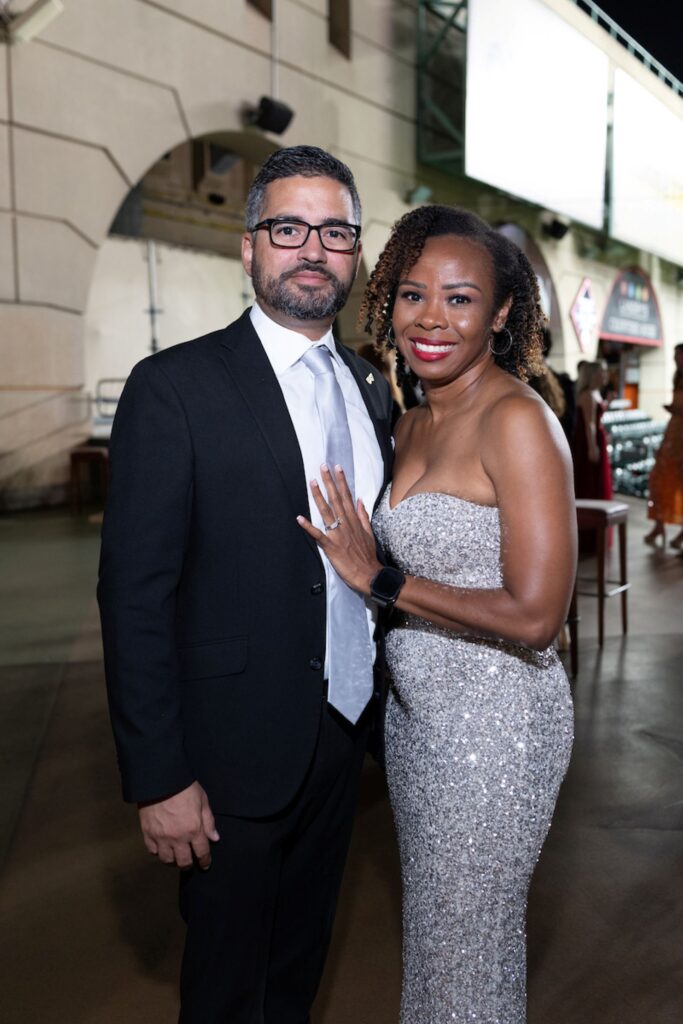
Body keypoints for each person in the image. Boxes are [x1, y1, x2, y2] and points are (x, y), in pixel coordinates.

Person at [97, 145, 394, 1023]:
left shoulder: (371, 388)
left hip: (340, 742)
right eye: (288, 227)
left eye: (334, 231)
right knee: (226, 992)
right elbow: (133, 596)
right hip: (227, 761)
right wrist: (159, 777)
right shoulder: (175, 388)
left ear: (354, 251)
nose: (312, 249)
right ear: (249, 247)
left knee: (297, 974)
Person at [297, 205, 576, 1022]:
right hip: (418, 727)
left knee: (467, 942)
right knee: (439, 940)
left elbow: (536, 616)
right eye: (413, 294)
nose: (430, 318)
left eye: (459, 299)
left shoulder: (517, 420)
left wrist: (378, 579)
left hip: (497, 725)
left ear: (498, 313)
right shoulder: (410, 419)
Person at [644, 342, 683, 550]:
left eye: (679, 356)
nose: (676, 360)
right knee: (659, 482)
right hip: (673, 435)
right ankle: (659, 525)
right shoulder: (677, 378)